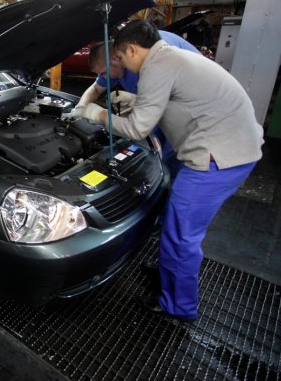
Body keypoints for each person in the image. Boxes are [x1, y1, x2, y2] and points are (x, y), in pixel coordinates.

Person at [80, 20, 263, 322]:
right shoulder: (169, 57)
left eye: (123, 58)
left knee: (181, 237)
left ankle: (177, 306)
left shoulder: (157, 66)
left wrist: (97, 114)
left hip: (217, 158)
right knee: (176, 226)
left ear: (131, 49)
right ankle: (171, 271)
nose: (123, 66)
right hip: (228, 145)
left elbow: (139, 126)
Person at [71, 31, 200, 173]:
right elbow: (96, 89)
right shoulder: (119, 62)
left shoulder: (152, 54)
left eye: (103, 73)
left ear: (114, 59)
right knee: (153, 147)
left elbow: (171, 100)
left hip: (192, 113)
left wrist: (102, 115)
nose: (104, 77)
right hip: (162, 106)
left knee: (175, 158)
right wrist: (80, 107)